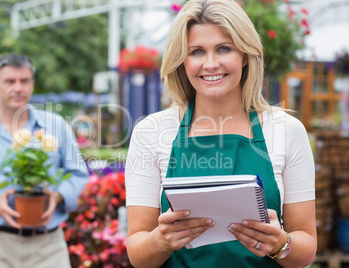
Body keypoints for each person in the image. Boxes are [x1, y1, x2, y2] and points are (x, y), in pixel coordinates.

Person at [125, 0, 317, 267]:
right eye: (197, 52)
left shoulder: (287, 130)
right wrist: (161, 240)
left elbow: (306, 247)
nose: (210, 63)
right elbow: (137, 253)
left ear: (246, 56)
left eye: (224, 49)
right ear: (181, 60)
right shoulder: (151, 132)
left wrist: (280, 243)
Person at [0, 54, 89, 268]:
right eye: (10, 81)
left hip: (48, 246)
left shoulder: (56, 126)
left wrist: (58, 196)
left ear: (32, 85)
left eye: (24, 81)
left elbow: (78, 173)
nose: (18, 88)